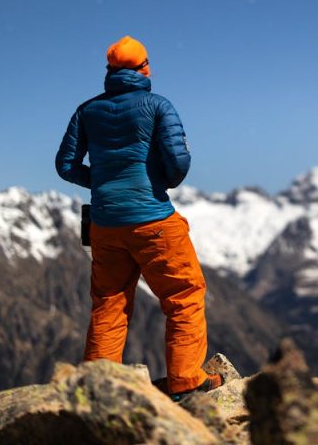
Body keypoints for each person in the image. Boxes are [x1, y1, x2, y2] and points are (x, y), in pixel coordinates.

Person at [55, 35, 222, 399]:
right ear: (145, 68)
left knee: (109, 303)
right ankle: (185, 379)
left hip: (105, 224)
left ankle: (98, 387)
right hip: (154, 221)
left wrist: (99, 181)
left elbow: (65, 166)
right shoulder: (158, 106)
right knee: (183, 295)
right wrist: (159, 182)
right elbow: (178, 163)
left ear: (109, 71)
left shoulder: (87, 110)